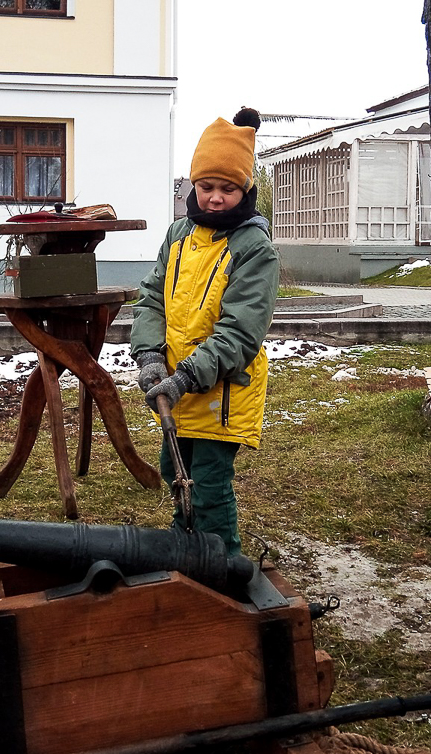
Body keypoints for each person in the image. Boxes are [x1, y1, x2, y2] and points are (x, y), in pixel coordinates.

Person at [130, 108, 279, 557]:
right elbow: (153, 297)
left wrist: (187, 378)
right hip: (175, 385)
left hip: (221, 392)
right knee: (177, 475)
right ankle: (187, 550)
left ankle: (223, 563)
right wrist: (151, 356)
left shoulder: (254, 250)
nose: (215, 198)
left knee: (210, 487)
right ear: (192, 185)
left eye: (228, 189)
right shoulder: (178, 234)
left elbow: (239, 332)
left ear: (246, 189)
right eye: (206, 187)